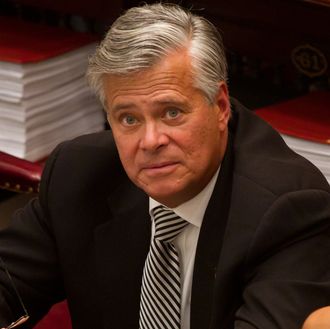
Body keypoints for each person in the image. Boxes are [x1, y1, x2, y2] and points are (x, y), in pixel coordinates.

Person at [0, 3, 329, 329]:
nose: (150, 140)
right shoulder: (78, 173)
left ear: (220, 106)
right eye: (129, 119)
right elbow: (8, 287)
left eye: (171, 112)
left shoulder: (290, 210)